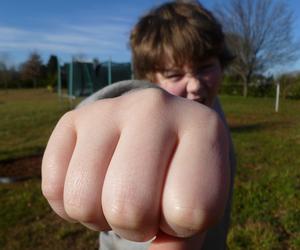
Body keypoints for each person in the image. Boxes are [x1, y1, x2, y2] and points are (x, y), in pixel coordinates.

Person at [42, 1, 236, 249]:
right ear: (151, 78)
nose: (195, 85)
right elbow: (140, 102)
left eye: (205, 67)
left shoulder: (210, 105)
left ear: (221, 64)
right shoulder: (153, 95)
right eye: (175, 74)